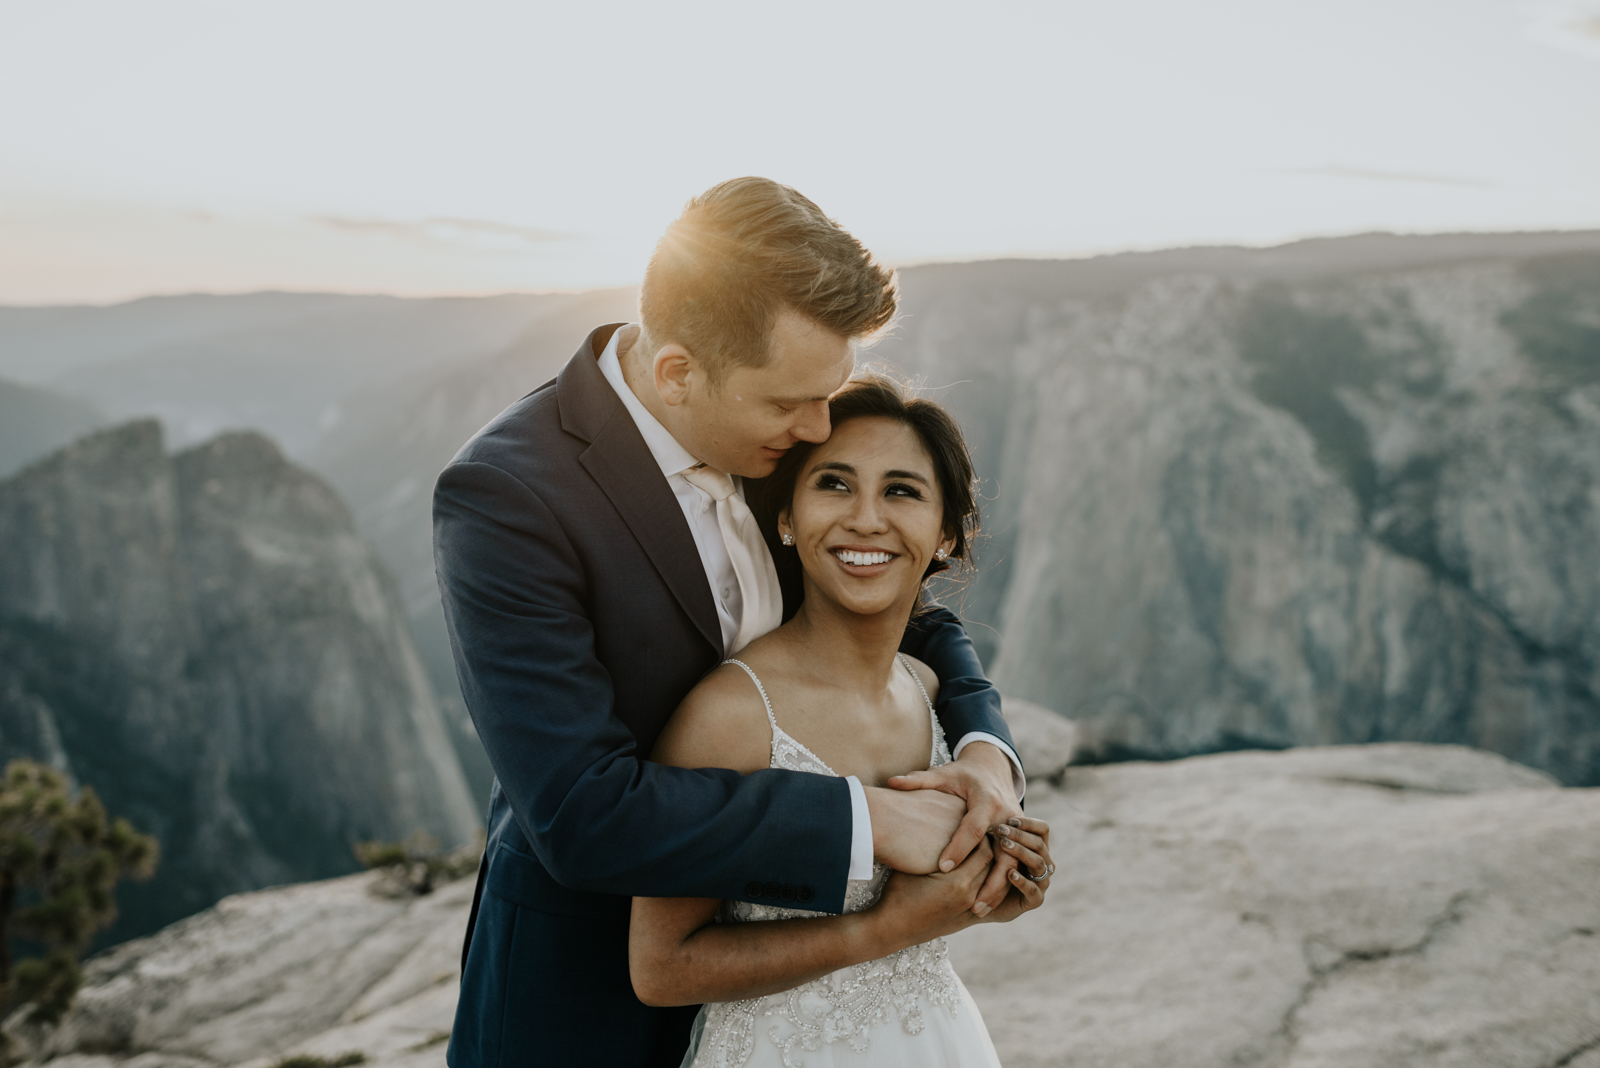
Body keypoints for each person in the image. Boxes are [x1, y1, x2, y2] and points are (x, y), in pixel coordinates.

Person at [434, 177, 1039, 1068]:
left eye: (825, 394)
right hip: (590, 1002)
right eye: (791, 403)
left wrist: (986, 751)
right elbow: (580, 814)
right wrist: (866, 824)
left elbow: (905, 614)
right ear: (678, 373)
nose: (819, 425)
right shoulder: (508, 499)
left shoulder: (764, 431)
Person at [631, 376, 1053, 1067]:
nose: (865, 519)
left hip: (938, 1039)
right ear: (788, 518)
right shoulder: (731, 714)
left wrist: (995, 883)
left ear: (945, 531)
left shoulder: (926, 688)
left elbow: (937, 895)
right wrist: (883, 930)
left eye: (901, 490)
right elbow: (661, 968)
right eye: (834, 484)